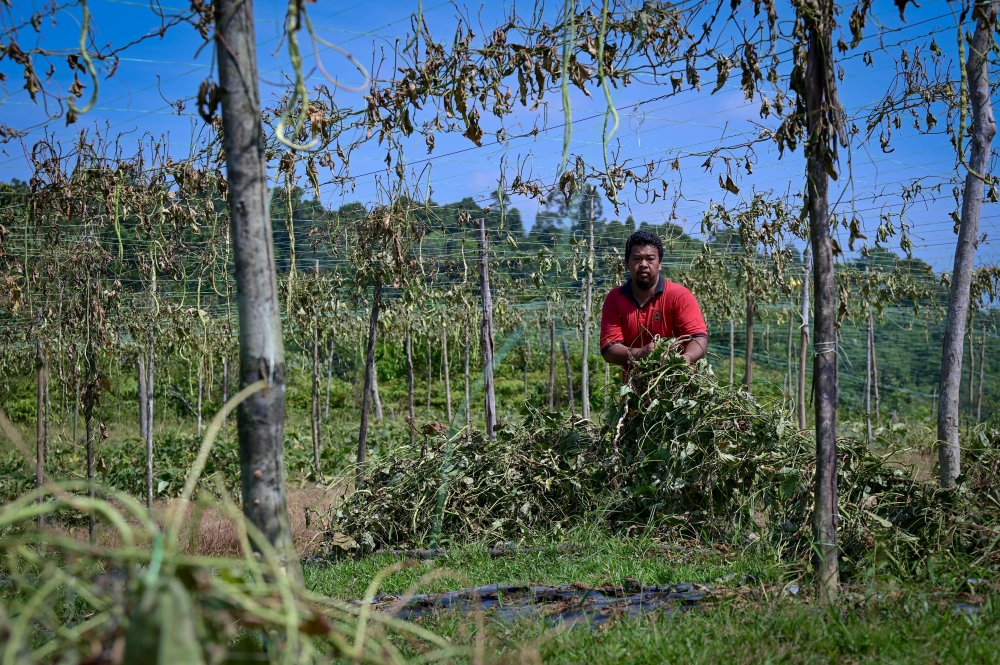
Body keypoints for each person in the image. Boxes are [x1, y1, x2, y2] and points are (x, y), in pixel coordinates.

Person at [600, 230, 708, 368]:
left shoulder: (680, 296)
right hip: (636, 387)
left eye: (650, 259)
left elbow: (699, 338)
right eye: (637, 258)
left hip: (678, 386)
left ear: (660, 263)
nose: (644, 264)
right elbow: (609, 349)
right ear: (627, 263)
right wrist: (642, 353)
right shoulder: (615, 298)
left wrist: (685, 358)